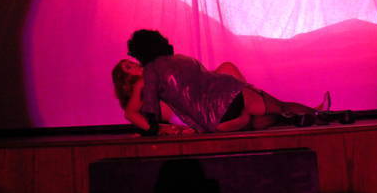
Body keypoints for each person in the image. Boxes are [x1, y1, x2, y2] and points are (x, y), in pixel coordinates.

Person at [112, 29, 328, 135]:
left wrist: (155, 130)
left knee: (263, 118)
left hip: (216, 121)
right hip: (228, 98)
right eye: (128, 66)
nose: (133, 63)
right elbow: (135, 114)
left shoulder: (153, 76)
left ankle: (306, 116)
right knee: (280, 107)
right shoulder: (176, 62)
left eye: (131, 60)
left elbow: (139, 113)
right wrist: (159, 130)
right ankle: (318, 116)